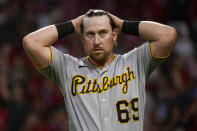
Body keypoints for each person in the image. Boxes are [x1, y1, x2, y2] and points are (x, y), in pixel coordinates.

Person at [23, 9, 177, 131]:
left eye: (103, 33)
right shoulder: (67, 68)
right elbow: (31, 42)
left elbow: (168, 35)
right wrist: (73, 25)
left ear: (114, 35)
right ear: (82, 38)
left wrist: (123, 24)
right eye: (90, 34)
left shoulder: (136, 61)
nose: (97, 41)